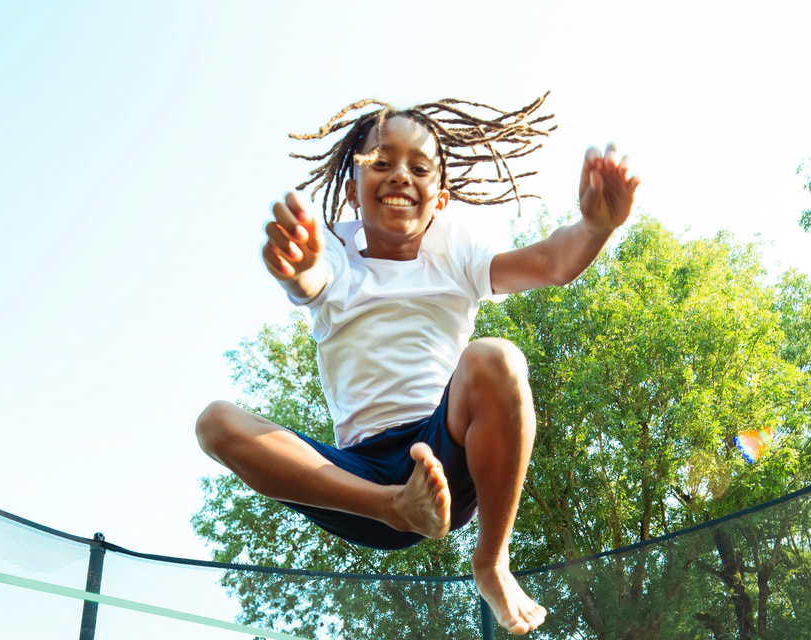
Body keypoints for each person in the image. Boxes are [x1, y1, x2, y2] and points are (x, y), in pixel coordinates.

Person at [195, 95, 637, 636]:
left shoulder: (456, 251)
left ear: (441, 199)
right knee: (216, 423)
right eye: (380, 162)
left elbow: (550, 262)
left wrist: (595, 229)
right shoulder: (335, 245)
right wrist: (299, 267)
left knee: (496, 358)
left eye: (418, 166)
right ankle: (394, 506)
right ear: (354, 188)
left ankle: (492, 560)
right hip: (355, 477)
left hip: (442, 456)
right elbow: (311, 281)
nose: (399, 174)